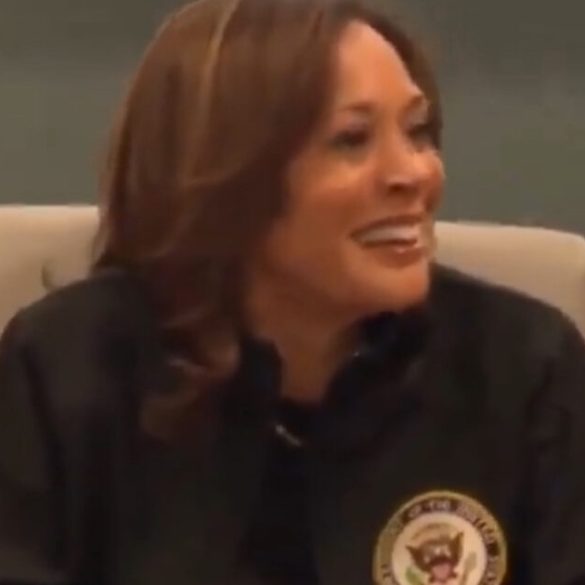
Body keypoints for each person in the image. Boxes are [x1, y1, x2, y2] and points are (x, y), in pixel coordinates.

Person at [1, 0, 585, 583]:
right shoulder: (62, 370)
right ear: (225, 174)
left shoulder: (528, 367)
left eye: (417, 132)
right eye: (352, 139)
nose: (414, 173)